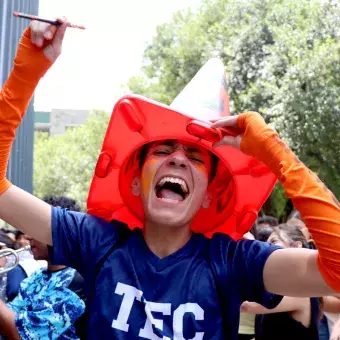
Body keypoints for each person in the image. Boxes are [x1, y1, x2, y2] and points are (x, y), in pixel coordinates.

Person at [0, 19, 339, 340]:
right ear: (135, 180)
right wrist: (27, 71)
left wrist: (275, 152)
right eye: (162, 151)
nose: (178, 157)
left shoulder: (233, 261)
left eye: (195, 157)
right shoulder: (98, 240)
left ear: (209, 193)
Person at [0, 195, 86, 339]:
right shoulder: (37, 276)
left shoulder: (77, 282)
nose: (28, 235)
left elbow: (24, 335)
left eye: (35, 228)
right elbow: (8, 317)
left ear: (59, 232)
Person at [241, 224, 321, 340]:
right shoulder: (277, 287)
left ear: (296, 247)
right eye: (266, 244)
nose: (267, 248)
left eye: (273, 241)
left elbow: (247, 305)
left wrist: (246, 252)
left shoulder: (300, 289)